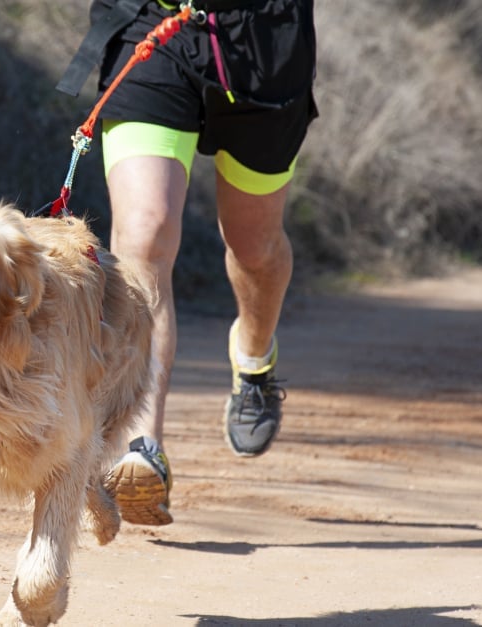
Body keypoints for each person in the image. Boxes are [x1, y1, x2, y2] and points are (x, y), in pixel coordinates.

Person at [58, 0, 317, 526]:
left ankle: (253, 356)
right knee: (143, 231)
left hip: (264, 39)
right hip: (153, 23)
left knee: (255, 247)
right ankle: (142, 444)